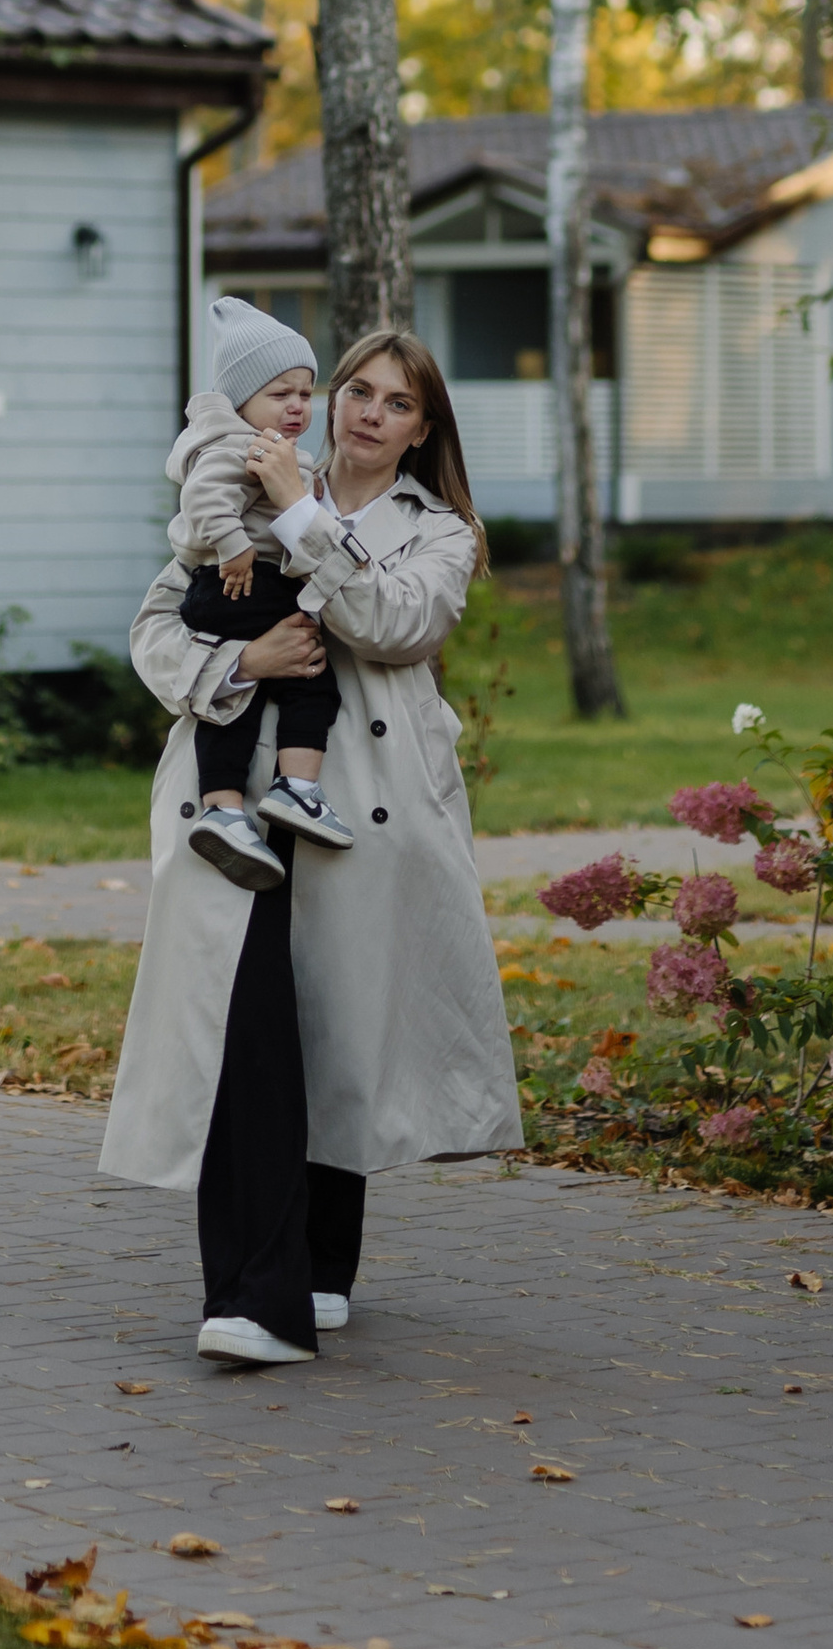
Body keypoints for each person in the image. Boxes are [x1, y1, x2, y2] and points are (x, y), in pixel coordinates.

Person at [98, 327, 524, 1367]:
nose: (365, 412)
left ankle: (323, 1266)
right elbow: (156, 626)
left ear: (424, 431)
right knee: (243, 1034)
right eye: (354, 390)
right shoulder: (247, 465)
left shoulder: (443, 532)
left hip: (367, 813)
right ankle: (254, 1297)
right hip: (235, 796)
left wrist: (301, 515)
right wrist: (239, 657)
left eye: (395, 403)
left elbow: (395, 624)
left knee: (340, 1032)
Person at [167, 297, 348, 886]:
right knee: (311, 677)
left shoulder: (259, 442)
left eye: (305, 392)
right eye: (280, 393)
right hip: (245, 584)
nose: (297, 406)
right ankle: (297, 788)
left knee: (232, 703)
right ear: (241, 398)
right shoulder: (242, 444)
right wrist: (233, 546)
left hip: (226, 592)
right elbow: (202, 498)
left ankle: (223, 811)